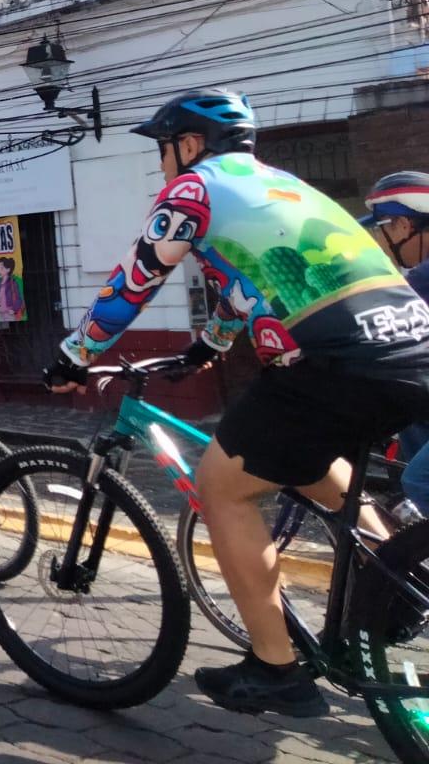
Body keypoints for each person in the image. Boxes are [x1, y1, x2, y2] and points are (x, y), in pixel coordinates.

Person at [48, 89, 429, 719]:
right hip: (410, 345)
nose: (162, 165)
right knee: (308, 464)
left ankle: (277, 669)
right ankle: (398, 587)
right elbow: (260, 276)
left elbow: (134, 281)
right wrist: (209, 346)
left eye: (163, 150)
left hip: (336, 362)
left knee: (224, 486)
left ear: (190, 145)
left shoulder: (193, 191)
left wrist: (74, 355)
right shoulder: (284, 186)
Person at [358, 171, 429, 519]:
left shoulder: (422, 277)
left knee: (421, 480)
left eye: (381, 229)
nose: (380, 240)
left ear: (403, 226)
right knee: (414, 421)